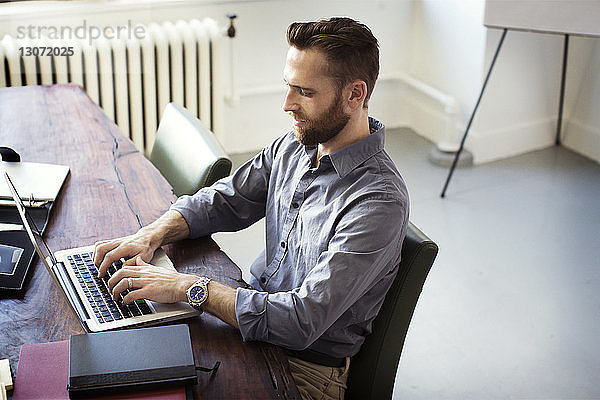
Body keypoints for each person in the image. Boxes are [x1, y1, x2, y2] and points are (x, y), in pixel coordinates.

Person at [94, 16, 409, 400]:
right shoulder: (294, 146)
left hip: (304, 369)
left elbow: (299, 321)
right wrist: (151, 235)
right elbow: (225, 200)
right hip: (247, 324)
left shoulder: (377, 202)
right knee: (120, 365)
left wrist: (189, 288)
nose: (287, 104)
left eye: (305, 93)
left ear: (355, 95)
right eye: (288, 86)